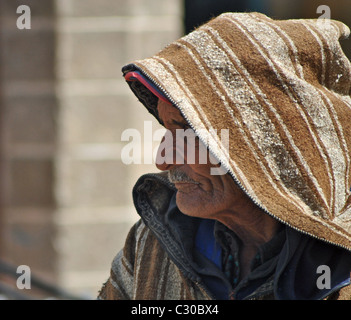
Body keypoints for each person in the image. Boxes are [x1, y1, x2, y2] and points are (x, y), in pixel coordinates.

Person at [98, 12, 351, 300]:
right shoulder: (152, 245)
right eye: (166, 129)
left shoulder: (339, 272)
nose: (163, 159)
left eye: (185, 131)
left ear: (264, 146)